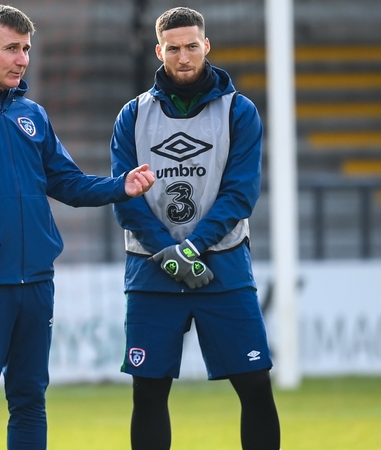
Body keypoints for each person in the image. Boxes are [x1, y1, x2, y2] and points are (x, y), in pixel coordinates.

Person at [0, 5, 155, 450]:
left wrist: (121, 185)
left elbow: (67, 182)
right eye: (11, 49)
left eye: (26, 49)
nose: (22, 59)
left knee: (29, 401)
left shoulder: (33, 115)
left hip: (36, 281)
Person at [110, 6, 280, 450]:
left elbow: (241, 194)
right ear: (158, 51)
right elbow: (125, 197)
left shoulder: (239, 112)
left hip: (222, 265)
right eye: (173, 48)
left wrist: (191, 249)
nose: (183, 57)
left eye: (191, 46)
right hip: (150, 268)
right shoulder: (132, 115)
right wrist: (167, 251)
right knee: (147, 393)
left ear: (206, 46)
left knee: (255, 385)